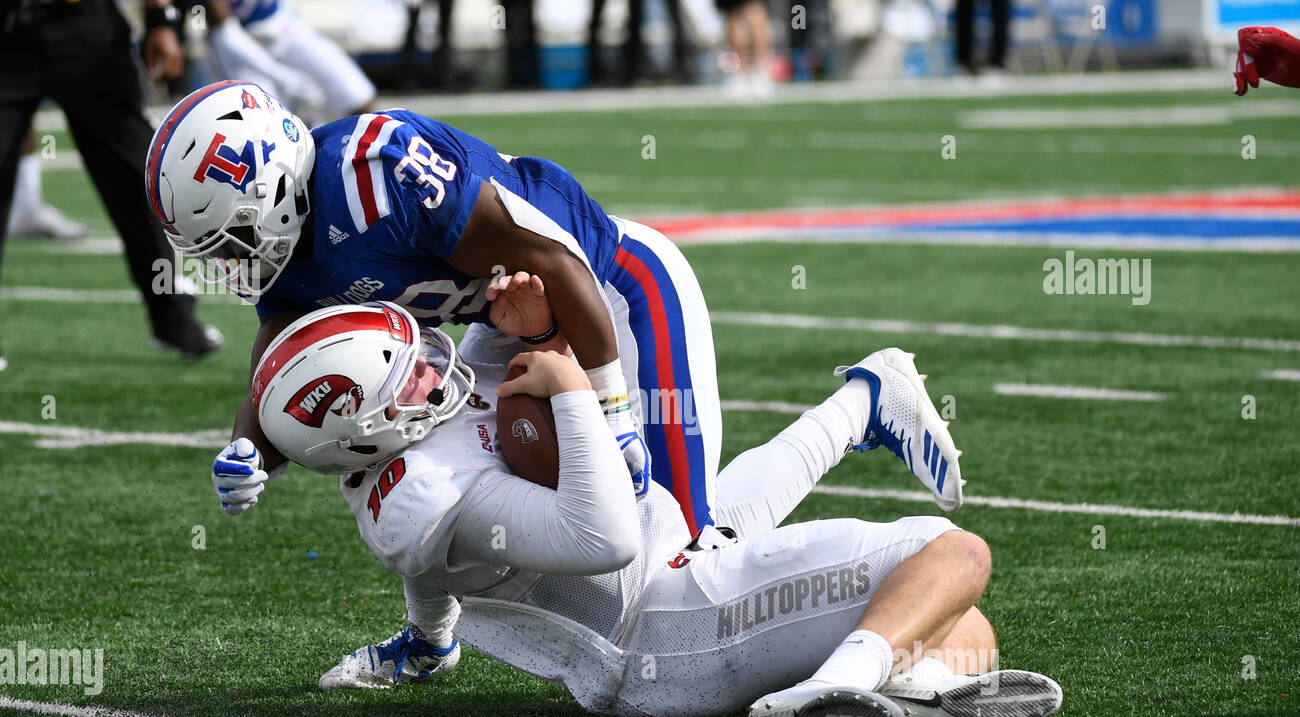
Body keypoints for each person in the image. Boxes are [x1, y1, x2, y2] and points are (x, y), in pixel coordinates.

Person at [147, 81, 953, 545]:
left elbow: (557, 263)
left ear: (273, 184)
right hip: (513, 324)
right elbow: (285, 367)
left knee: (684, 542)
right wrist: (250, 449)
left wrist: (616, 414)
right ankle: (432, 639)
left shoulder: (375, 173)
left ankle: (865, 403)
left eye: (233, 237)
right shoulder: (291, 252)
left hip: (612, 293)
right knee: (445, 474)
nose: (231, 262)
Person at [247, 301, 1055, 717]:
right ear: (360, 431)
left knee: (959, 625)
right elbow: (605, 537)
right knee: (953, 554)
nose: (435, 366)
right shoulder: (425, 495)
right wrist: (573, 393)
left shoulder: (403, 461)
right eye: (412, 376)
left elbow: (427, 574)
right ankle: (824, 690)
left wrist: (429, 640)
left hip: (676, 563)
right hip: (665, 632)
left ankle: (866, 410)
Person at [0, 0, 223, 364]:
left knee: (138, 179)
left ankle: (173, 318)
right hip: (8, 36)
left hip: (86, 30)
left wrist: (161, 18)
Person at [202, 0, 376, 123]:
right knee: (266, 125)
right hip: (238, 47)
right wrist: (282, 77)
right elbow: (226, 33)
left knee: (358, 97)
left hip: (282, 25)